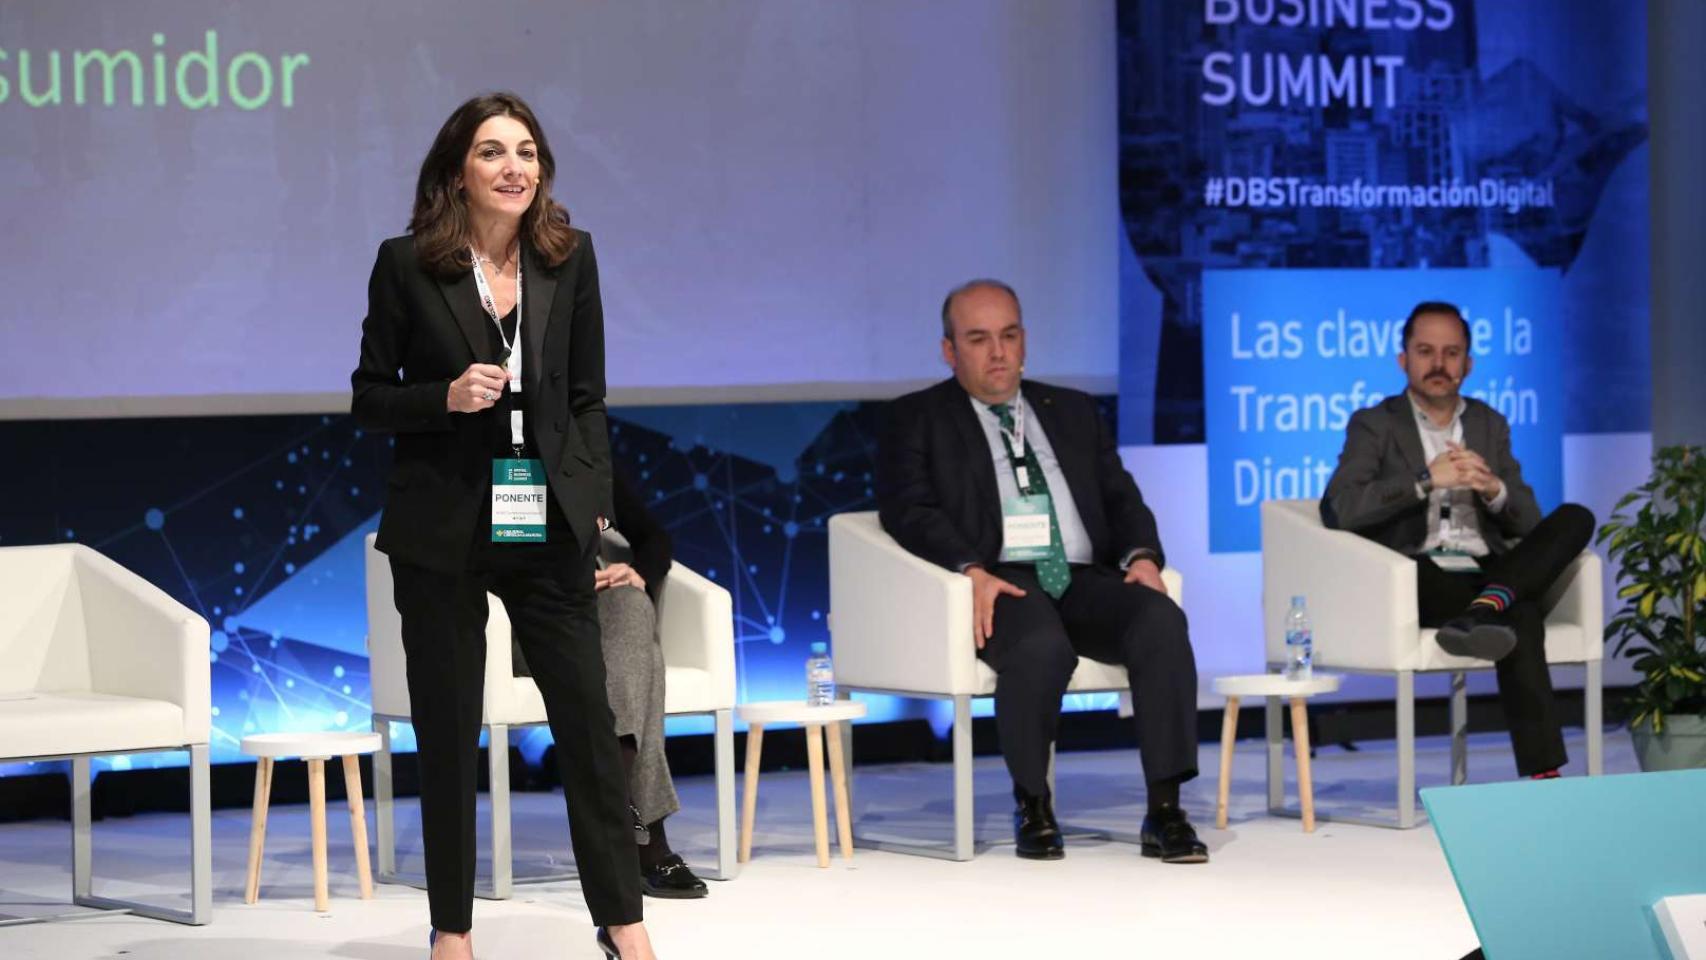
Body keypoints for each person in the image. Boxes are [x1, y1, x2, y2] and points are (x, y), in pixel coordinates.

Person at [351, 92, 656, 960]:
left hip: (545, 520)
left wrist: (591, 497)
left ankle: (624, 922)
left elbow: (588, 396)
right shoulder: (407, 263)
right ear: (458, 172)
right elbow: (369, 397)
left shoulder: (570, 256)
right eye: (492, 151)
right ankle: (452, 930)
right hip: (443, 523)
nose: (513, 167)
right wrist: (443, 398)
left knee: (589, 729)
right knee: (450, 737)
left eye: (526, 152)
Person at [876, 279, 1207, 863]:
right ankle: (1033, 804)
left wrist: (1143, 557)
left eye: (1009, 336)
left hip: (1081, 576)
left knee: (1160, 621)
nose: (998, 353)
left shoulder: (1072, 410)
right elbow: (910, 510)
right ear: (950, 350)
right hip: (1000, 578)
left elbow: (1121, 496)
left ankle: (1166, 811)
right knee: (1039, 647)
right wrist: (969, 568)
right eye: (979, 339)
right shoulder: (918, 418)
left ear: (1024, 341)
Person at [1321, 301, 1595, 780]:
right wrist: (1426, 480)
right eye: (1425, 351)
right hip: (1418, 570)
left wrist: (1493, 490)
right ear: (1403, 359)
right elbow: (1340, 507)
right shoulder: (1376, 423)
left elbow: (1530, 524)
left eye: (1451, 353)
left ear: (1468, 363)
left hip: (1486, 568)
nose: (1439, 364)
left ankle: (1484, 608)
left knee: (1577, 517)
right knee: (1521, 615)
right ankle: (1544, 774)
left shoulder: (1489, 423)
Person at [514, 470, 709, 899]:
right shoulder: (506, 461)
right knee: (647, 663)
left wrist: (636, 573)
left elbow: (654, 537)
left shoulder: (586, 463)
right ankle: (650, 845)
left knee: (634, 605)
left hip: (594, 607)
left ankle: (616, 805)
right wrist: (568, 581)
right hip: (530, 614)